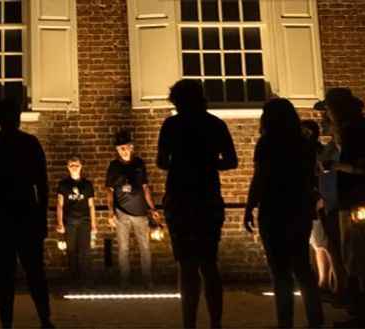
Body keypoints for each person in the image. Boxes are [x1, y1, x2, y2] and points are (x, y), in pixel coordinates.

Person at [157, 79, 237, 328]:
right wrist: (207, 164)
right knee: (208, 263)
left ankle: (189, 323)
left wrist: (181, 166)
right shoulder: (215, 124)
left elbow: (161, 161)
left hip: (179, 197)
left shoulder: (171, 125)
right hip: (208, 197)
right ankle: (215, 323)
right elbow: (231, 161)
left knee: (187, 265)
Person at [0, 96, 53, 328]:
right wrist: (41, 217)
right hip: (26, 215)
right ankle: (45, 319)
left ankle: (6, 323)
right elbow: (42, 184)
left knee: (4, 275)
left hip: (0, 218)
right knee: (35, 273)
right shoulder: (30, 143)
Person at [243, 98, 324, 328]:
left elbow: (259, 178)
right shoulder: (304, 144)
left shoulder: (266, 144)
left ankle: (285, 321)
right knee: (303, 267)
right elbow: (310, 178)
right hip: (298, 207)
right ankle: (315, 319)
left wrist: (250, 207)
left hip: (273, 208)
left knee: (280, 271)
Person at [324, 88, 365, 327]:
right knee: (359, 257)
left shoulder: (355, 130)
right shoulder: (360, 128)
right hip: (359, 201)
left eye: (329, 109)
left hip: (359, 202)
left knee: (362, 258)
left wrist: (335, 165)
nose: (327, 115)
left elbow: (362, 167)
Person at [106, 130, 161, 289]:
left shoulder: (139, 164)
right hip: (122, 213)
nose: (123, 150)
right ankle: (124, 281)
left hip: (140, 212)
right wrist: (111, 212)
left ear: (131, 147)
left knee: (145, 248)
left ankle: (148, 280)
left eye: (126, 147)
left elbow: (145, 187)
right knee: (123, 248)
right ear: (117, 150)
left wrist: (152, 208)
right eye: (120, 148)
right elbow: (109, 190)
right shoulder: (114, 166)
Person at [313, 101, 348, 303]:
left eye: (327, 117)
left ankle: (342, 289)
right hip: (328, 202)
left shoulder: (339, 146)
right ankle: (338, 287)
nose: (323, 121)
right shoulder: (329, 147)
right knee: (332, 246)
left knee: (338, 248)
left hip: (337, 202)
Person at [55, 156, 97, 289]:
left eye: (76, 164)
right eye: (71, 164)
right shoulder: (63, 184)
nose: (74, 166)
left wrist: (94, 225)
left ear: (81, 166)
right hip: (69, 222)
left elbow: (91, 205)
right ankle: (73, 281)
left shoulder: (87, 184)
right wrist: (60, 222)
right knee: (71, 252)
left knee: (85, 251)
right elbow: (60, 205)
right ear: (68, 167)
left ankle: (86, 281)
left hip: (85, 221)